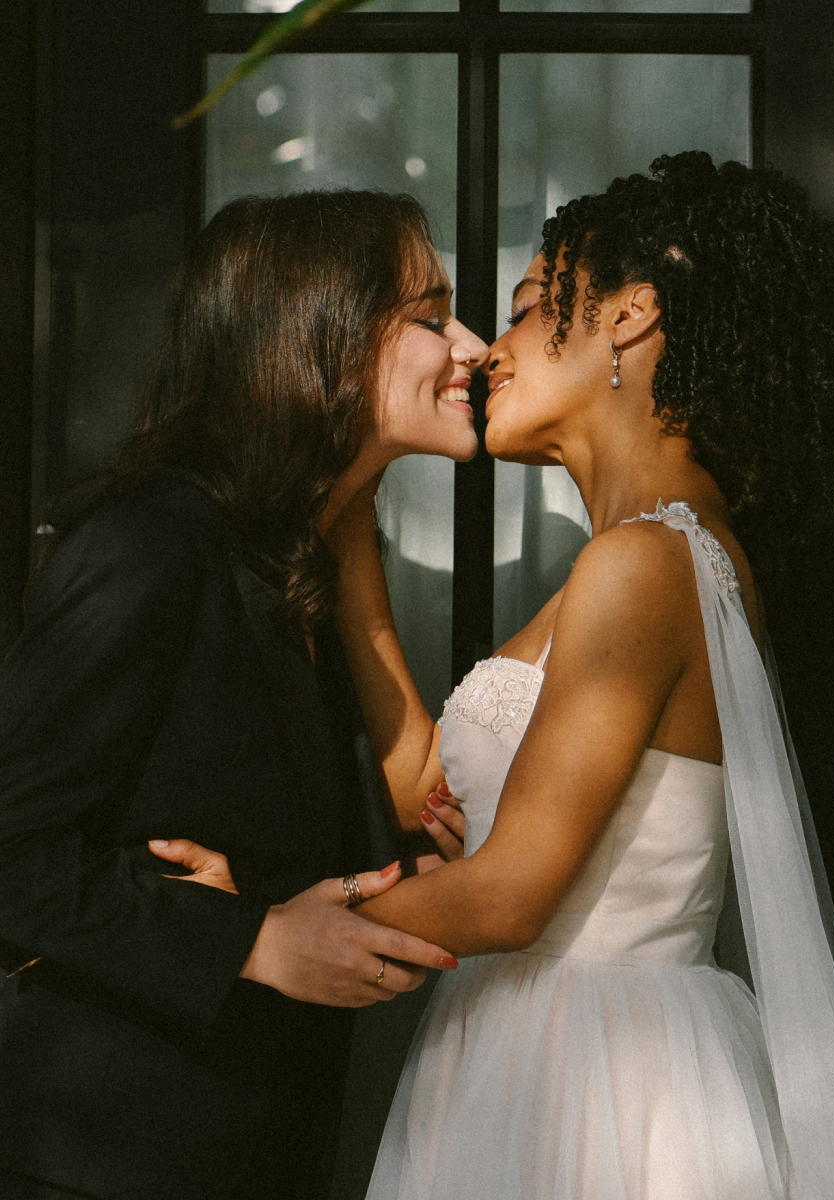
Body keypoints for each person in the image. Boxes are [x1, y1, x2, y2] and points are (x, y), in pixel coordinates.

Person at [164, 153, 834, 1198]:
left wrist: (268, 924)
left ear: (630, 317)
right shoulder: (654, 555)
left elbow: (508, 895)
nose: (487, 353)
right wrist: (358, 508)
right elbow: (426, 784)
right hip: (539, 1044)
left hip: (597, 1079)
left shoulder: (641, 565)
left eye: (522, 310)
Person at [0, 191, 480, 1200]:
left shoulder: (298, 568)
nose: (471, 346)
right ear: (324, 335)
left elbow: (364, 838)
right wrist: (249, 938)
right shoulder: (155, 543)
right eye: (433, 317)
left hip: (257, 1147)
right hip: (105, 1161)